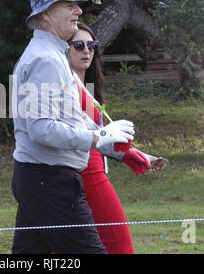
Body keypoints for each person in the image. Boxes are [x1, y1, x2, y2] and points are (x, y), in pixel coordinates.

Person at [10, 0, 136, 254]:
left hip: (39, 178)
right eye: (69, 5)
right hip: (50, 181)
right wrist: (97, 136)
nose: (78, 11)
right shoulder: (46, 59)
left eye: (76, 5)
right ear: (45, 14)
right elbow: (41, 130)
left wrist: (109, 141)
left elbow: (67, 115)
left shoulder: (51, 54)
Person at [68, 22, 168, 253]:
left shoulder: (86, 87)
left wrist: (138, 154)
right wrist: (130, 154)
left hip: (89, 170)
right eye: (79, 45)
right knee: (118, 241)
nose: (87, 51)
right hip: (87, 173)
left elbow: (102, 138)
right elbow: (93, 137)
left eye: (92, 45)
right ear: (66, 49)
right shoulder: (69, 86)